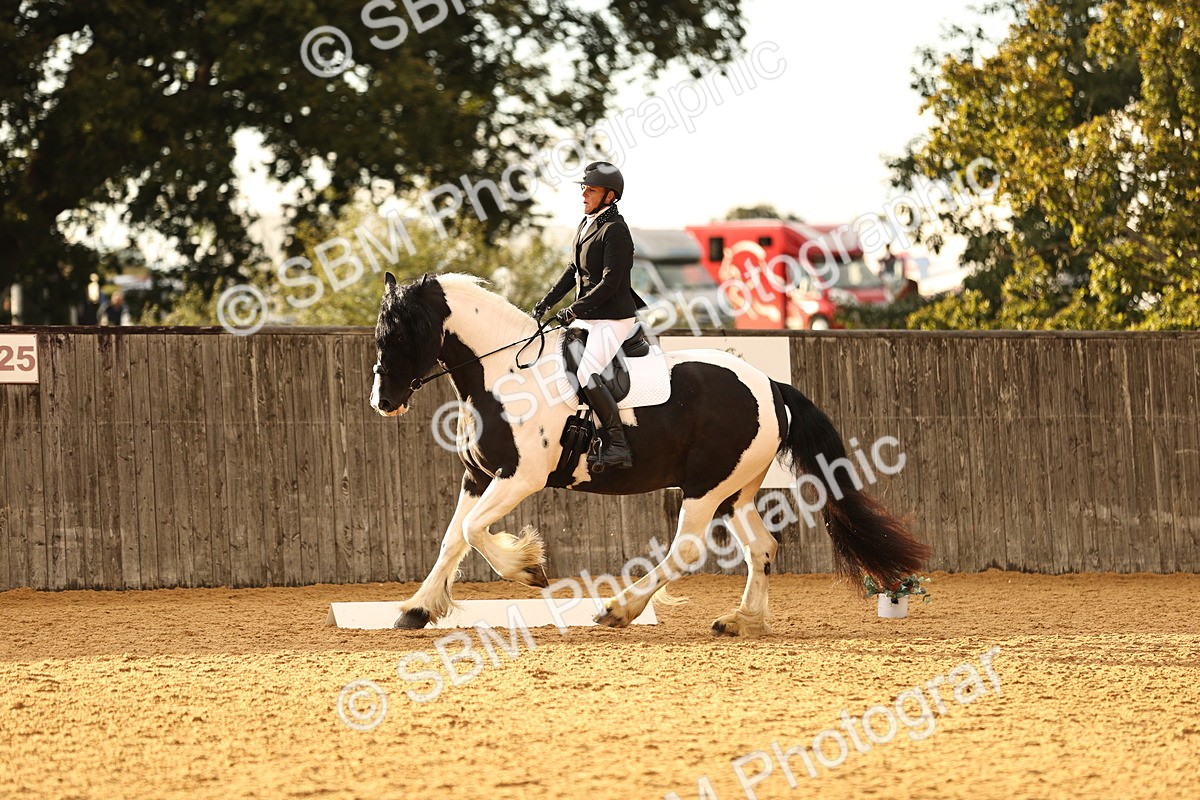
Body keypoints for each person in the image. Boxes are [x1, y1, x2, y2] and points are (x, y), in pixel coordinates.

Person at [533, 161, 646, 471]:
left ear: (610, 196)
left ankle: (618, 444)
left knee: (586, 373)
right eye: (584, 188)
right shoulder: (587, 223)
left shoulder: (616, 230)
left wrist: (574, 309)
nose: (583, 194)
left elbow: (610, 283)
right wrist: (547, 302)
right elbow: (574, 270)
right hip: (590, 316)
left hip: (612, 318)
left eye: (591, 190)